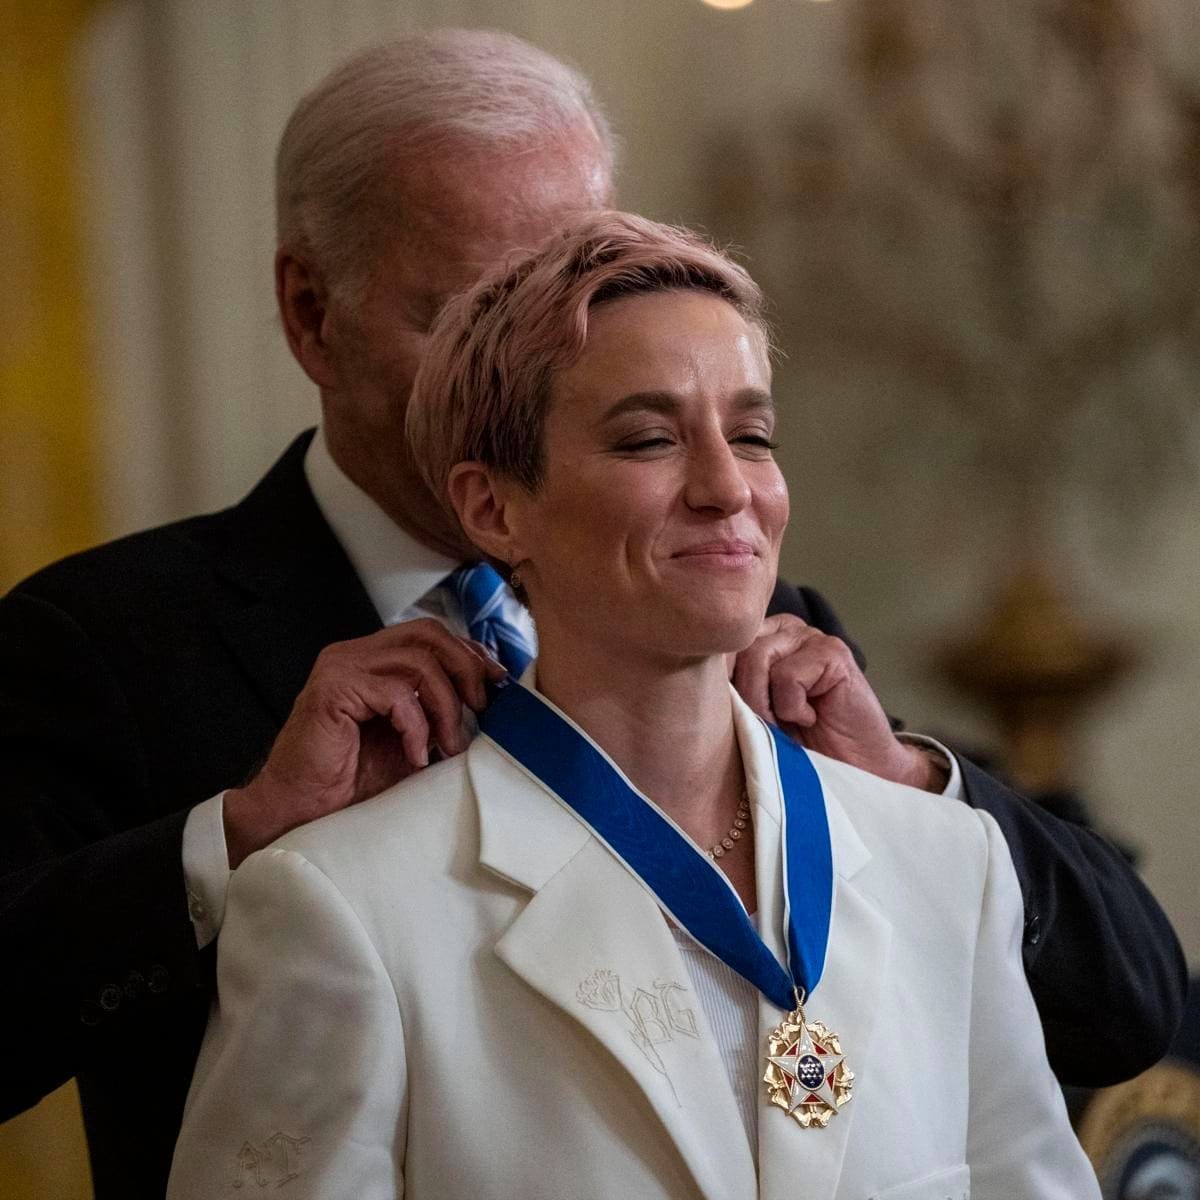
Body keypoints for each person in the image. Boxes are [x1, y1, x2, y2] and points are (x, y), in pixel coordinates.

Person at [0, 28, 1182, 1198]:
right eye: (477, 307)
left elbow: (1127, 1006)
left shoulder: (759, 623)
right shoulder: (107, 642)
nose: (551, 348)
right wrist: (237, 838)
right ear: (312, 313)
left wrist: (904, 781)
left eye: (587, 278)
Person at [167, 212, 1102, 1199]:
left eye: (751, 434)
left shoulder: (948, 863)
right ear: (494, 508)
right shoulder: (347, 906)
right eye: (649, 438)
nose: (725, 487)